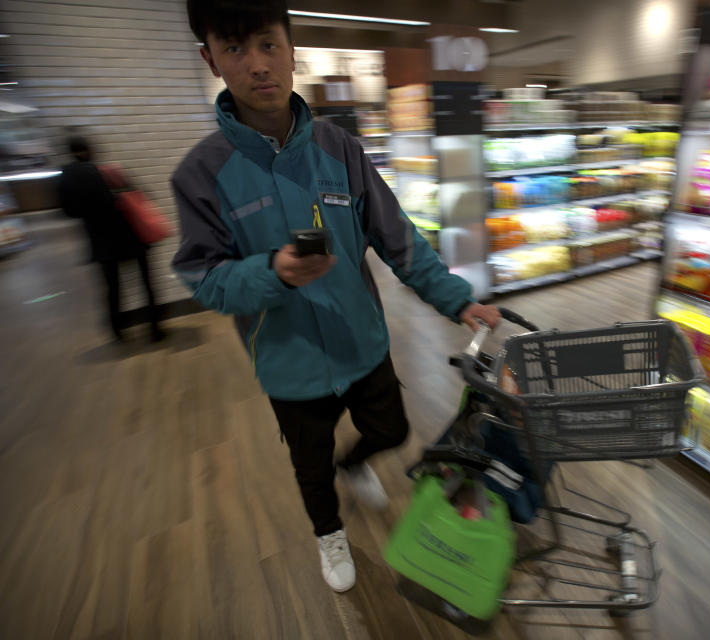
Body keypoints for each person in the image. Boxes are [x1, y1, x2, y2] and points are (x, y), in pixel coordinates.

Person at [174, 0, 501, 593]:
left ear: (292, 50)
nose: (257, 65)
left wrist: (457, 299)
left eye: (269, 44)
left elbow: (399, 239)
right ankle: (329, 534)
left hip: (362, 341)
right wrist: (272, 273)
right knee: (309, 465)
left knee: (393, 431)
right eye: (236, 49)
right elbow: (204, 277)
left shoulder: (339, 149)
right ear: (211, 60)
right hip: (287, 361)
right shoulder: (202, 173)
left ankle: (356, 463)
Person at [59, 136, 164, 343]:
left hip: (102, 243)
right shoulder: (106, 172)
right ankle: (154, 329)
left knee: (112, 289)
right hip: (130, 238)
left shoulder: (66, 178)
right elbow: (142, 195)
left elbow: (68, 212)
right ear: (90, 150)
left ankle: (118, 332)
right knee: (146, 284)